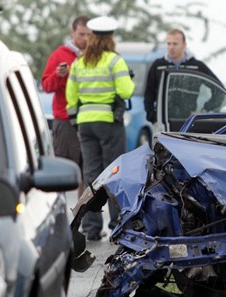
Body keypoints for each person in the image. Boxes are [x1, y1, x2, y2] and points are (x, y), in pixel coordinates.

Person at [65, 16, 135, 241]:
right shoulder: (115, 61)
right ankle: (118, 224)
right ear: (111, 39)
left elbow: (71, 97)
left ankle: (91, 228)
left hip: (85, 123)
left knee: (91, 175)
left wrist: (77, 121)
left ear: (92, 37)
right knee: (115, 172)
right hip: (109, 123)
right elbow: (126, 92)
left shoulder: (79, 62)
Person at [41, 15, 91, 196]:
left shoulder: (95, 56)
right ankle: (58, 214)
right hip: (65, 121)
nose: (85, 39)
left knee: (88, 173)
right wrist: (58, 75)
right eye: (82, 34)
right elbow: (46, 85)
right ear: (73, 33)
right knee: (62, 171)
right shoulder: (60, 55)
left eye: (89, 35)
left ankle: (83, 218)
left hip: (89, 119)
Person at [144, 28, 222, 124]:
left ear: (184, 45)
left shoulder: (196, 66)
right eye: (169, 44)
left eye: (175, 44)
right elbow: (148, 94)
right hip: (162, 122)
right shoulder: (158, 65)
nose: (171, 47)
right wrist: (152, 117)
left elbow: (219, 90)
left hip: (188, 122)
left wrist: (203, 111)